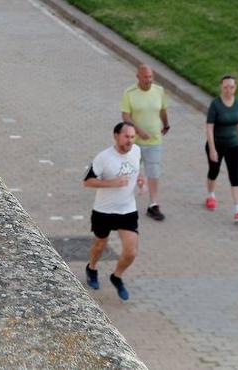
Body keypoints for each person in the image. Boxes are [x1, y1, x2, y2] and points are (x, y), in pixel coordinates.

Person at [83, 122, 144, 302]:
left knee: (131, 251)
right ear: (116, 136)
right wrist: (111, 183)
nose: (130, 141)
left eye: (132, 137)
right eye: (126, 137)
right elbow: (87, 182)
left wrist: (140, 180)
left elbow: (136, 170)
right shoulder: (104, 158)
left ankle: (116, 276)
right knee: (100, 244)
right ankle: (92, 268)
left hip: (127, 210)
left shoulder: (137, 151)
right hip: (104, 211)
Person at [120, 64, 170, 222]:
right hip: (134, 141)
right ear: (138, 77)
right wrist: (138, 130)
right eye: (145, 77)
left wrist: (166, 123)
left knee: (154, 172)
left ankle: (153, 204)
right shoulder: (130, 93)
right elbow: (126, 116)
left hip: (155, 140)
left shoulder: (159, 91)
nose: (148, 80)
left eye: (150, 77)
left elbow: (163, 110)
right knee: (130, 170)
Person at [205, 75, 238, 222]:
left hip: (233, 145)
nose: (228, 90)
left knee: (235, 176)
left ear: (235, 88)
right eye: (226, 87)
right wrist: (212, 149)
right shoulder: (215, 105)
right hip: (217, 145)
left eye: (231, 87)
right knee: (214, 171)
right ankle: (211, 195)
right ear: (221, 87)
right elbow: (209, 127)